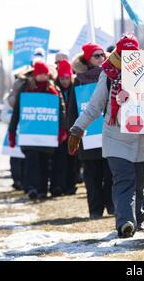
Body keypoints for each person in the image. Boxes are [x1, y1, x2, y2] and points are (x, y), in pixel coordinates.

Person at [68, 35, 144, 237]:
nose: (129, 57)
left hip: (141, 137)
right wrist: (78, 129)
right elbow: (95, 105)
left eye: (133, 53)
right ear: (118, 53)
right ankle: (125, 223)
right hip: (115, 136)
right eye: (124, 53)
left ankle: (137, 218)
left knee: (139, 182)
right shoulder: (108, 73)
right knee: (123, 179)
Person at [8, 62, 67, 200]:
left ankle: (42, 190)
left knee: (44, 163)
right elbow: (17, 111)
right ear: (35, 74)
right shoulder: (25, 89)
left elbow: (61, 110)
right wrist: (12, 132)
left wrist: (62, 130)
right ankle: (31, 188)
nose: (43, 76)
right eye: (41, 73)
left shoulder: (53, 89)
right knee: (31, 162)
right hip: (29, 134)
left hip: (47, 136)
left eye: (45, 74)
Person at [68, 43, 114, 217]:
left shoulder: (112, 75)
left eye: (103, 55)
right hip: (88, 137)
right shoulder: (78, 81)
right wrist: (74, 132)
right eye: (97, 56)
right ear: (87, 59)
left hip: (109, 132)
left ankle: (112, 206)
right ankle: (95, 210)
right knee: (92, 175)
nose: (102, 58)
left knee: (110, 173)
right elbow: (72, 109)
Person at [50, 59, 79, 196]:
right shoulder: (54, 89)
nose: (65, 81)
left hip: (73, 129)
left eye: (67, 78)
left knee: (72, 160)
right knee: (58, 160)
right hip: (58, 130)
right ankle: (57, 185)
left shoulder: (75, 88)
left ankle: (70, 185)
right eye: (62, 78)